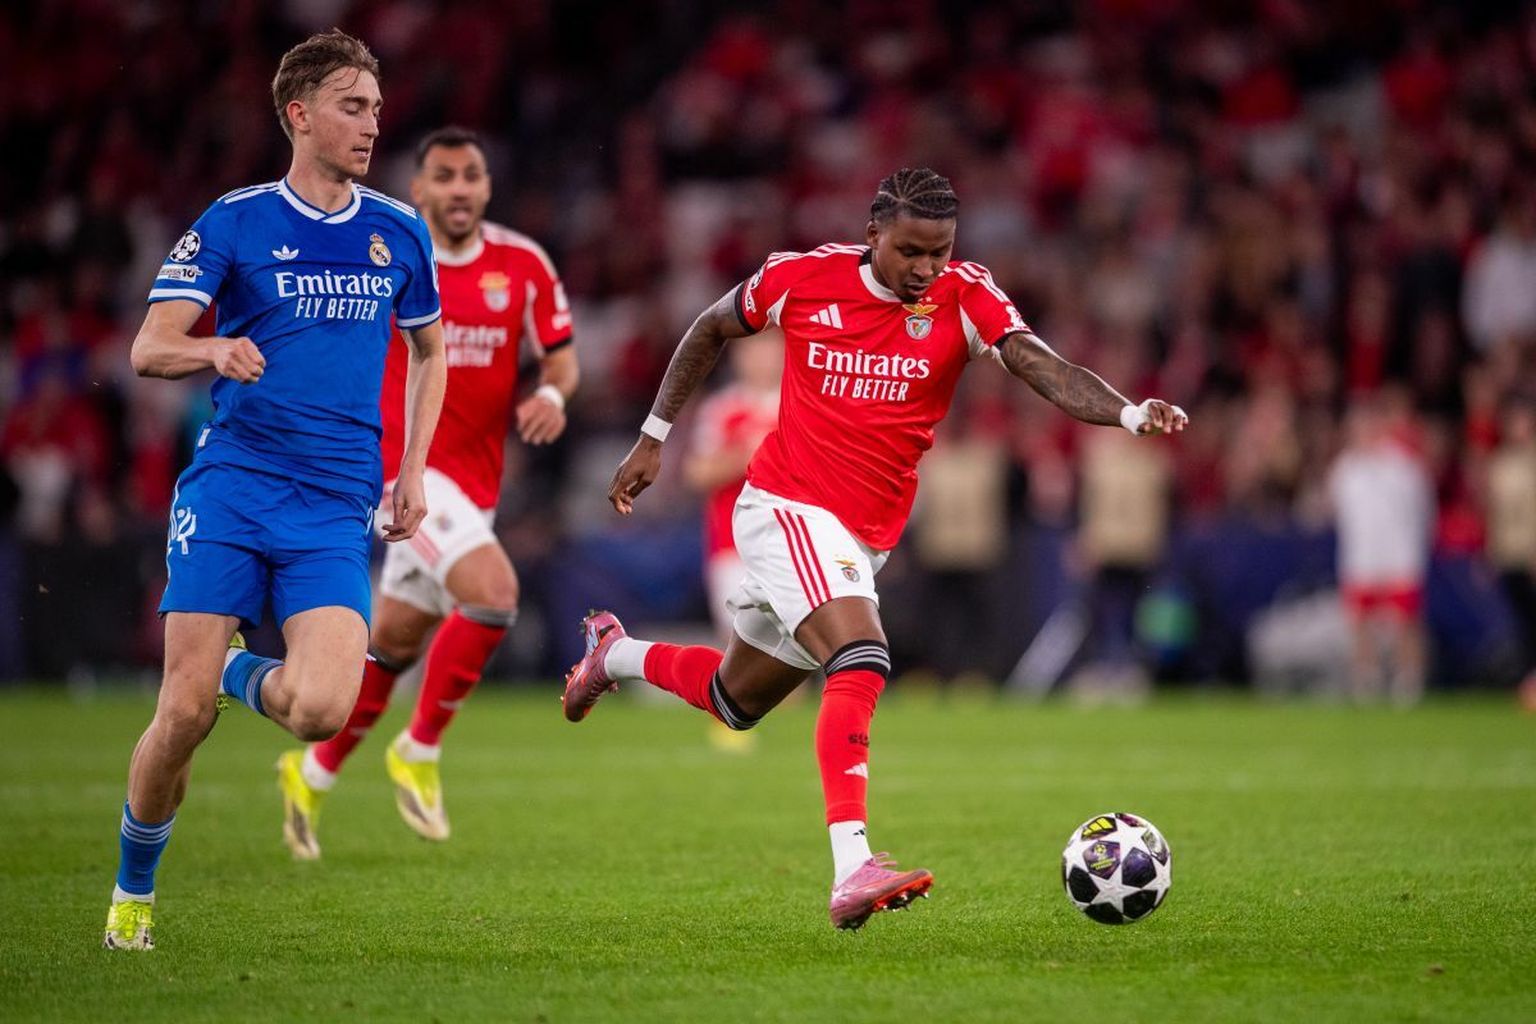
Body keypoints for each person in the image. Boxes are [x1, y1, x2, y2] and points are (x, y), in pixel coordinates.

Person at [562, 168, 1187, 930]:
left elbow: (1038, 363)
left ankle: (613, 655)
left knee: (735, 700)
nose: (926, 268)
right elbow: (710, 327)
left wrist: (1127, 414)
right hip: (787, 506)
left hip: (863, 538)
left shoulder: (966, 294)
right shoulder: (802, 278)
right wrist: (653, 437)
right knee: (862, 655)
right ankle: (852, 866)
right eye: (911, 251)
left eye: (940, 251)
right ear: (873, 235)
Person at [105, 31, 447, 950]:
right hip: (233, 489)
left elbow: (431, 351)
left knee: (322, 711)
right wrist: (213, 347)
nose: (372, 124)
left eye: (376, 108)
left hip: (334, 505)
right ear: (299, 114)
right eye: (351, 106)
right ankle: (133, 893)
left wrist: (413, 468)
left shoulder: (398, 230)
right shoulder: (236, 220)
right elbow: (148, 348)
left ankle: (233, 670)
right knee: (181, 717)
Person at [276, 127, 578, 856]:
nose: (459, 188)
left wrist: (553, 395)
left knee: (391, 648)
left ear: (488, 186)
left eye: (471, 175)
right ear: (418, 190)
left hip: (475, 490)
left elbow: (562, 358)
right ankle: (420, 747)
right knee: (494, 595)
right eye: (443, 176)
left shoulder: (524, 264)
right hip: (401, 472)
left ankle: (309, 773)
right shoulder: (384, 254)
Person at [683, 333, 781, 751]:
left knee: (794, 640)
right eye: (752, 349)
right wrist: (743, 456)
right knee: (739, 640)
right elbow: (697, 473)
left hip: (790, 542)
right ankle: (736, 725)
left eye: (770, 349)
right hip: (732, 544)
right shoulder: (722, 409)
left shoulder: (800, 404)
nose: (761, 358)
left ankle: (785, 739)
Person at [1327, 396, 1434, 705]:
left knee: (1405, 621)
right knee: (1360, 621)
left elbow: (1423, 510)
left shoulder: (1403, 465)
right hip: (1361, 556)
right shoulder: (1345, 469)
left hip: (1399, 556)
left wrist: (1414, 549)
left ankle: (1409, 678)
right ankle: (1366, 678)